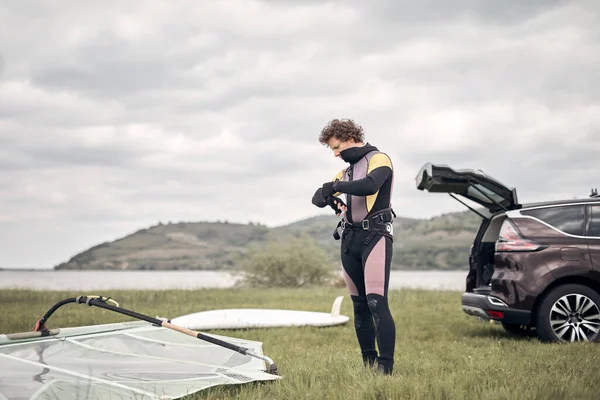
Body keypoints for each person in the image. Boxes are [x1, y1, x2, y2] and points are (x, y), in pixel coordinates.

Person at [312, 118, 396, 375]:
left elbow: (370, 185)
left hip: (376, 238)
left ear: (349, 138)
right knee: (359, 305)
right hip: (350, 240)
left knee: (375, 302)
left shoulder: (379, 159)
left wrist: (334, 187)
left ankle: (385, 367)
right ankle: (368, 363)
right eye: (332, 150)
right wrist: (330, 200)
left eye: (337, 147)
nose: (336, 154)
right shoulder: (346, 172)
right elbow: (317, 196)